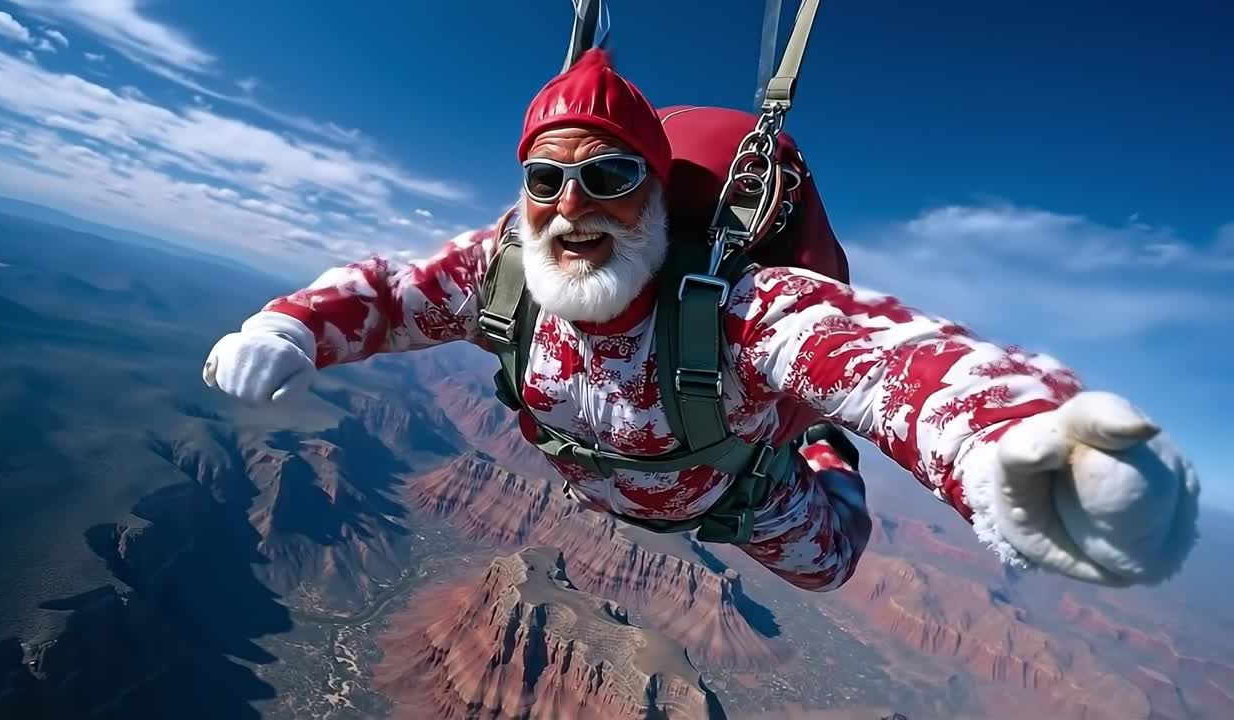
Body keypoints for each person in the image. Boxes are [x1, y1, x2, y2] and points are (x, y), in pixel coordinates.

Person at [202, 50, 1199, 592]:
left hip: (739, 495)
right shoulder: (496, 267)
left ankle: (819, 459)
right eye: (545, 179)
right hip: (603, 481)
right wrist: (287, 328)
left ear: (651, 192)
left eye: (607, 176)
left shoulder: (736, 314)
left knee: (829, 566)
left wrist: (1021, 453)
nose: (570, 206)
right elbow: (385, 291)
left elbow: (896, 360)